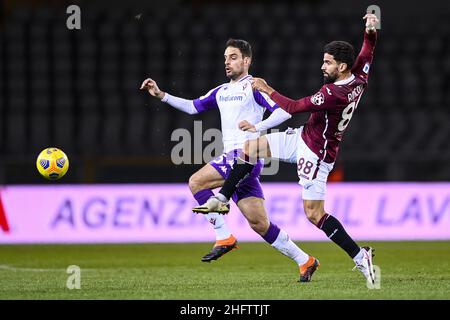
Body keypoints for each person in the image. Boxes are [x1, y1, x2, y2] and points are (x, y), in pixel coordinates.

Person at [193, 13, 379, 284]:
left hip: (317, 153)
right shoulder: (359, 77)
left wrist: (267, 88)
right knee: (251, 147)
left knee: (314, 214)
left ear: (341, 66)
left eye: (327, 63)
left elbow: (292, 108)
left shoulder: (332, 94)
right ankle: (222, 198)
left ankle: (361, 257)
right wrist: (371, 30)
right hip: (303, 137)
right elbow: (368, 50)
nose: (322, 66)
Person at [141, 39, 320, 282]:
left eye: (233, 57)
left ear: (247, 61)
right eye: (226, 58)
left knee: (196, 182)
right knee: (260, 224)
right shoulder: (221, 91)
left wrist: (258, 126)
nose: (227, 62)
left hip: (245, 156)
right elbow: (193, 107)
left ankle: (223, 236)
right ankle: (305, 261)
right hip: (237, 163)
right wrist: (162, 95)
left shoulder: (253, 87)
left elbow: (284, 111)